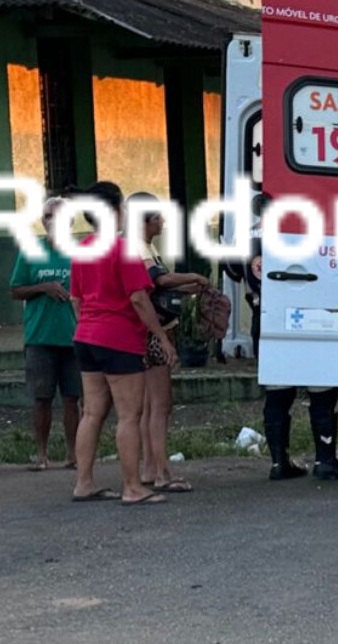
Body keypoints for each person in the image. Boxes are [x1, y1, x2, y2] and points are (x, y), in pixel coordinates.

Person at [69, 182, 175, 507]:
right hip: (119, 339)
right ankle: (132, 487)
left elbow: (75, 298)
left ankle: (83, 483)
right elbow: (140, 299)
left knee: (92, 412)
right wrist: (160, 337)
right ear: (115, 210)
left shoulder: (83, 248)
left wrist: (88, 324)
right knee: (130, 415)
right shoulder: (124, 249)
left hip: (86, 336)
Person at [242, 251, 338, 482]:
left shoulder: (251, 232)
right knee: (322, 387)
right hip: (311, 314)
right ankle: (325, 461)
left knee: (277, 389)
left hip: (267, 315)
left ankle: (279, 463)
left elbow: (235, 269)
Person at [129, 193, 211, 495]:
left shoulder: (142, 245)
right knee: (161, 406)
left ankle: (151, 466)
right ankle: (162, 472)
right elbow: (158, 280)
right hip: (154, 332)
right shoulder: (138, 246)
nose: (162, 222)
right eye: (158, 217)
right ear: (146, 220)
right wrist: (193, 276)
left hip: (144, 332)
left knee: (151, 406)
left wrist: (190, 287)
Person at [9, 195, 79, 471]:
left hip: (74, 336)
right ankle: (41, 454)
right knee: (41, 398)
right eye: (48, 216)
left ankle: (74, 454)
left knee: (73, 398)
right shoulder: (31, 250)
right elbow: (15, 290)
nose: (53, 221)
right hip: (39, 337)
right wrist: (44, 287)